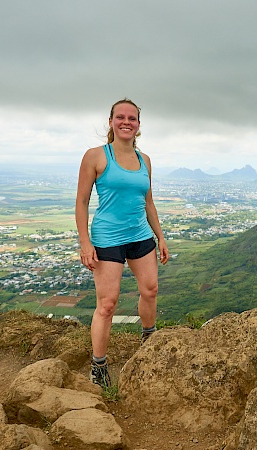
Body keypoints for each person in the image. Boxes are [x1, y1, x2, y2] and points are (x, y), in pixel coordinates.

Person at [75, 98, 169, 387]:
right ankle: (99, 366)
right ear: (111, 121)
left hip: (140, 235)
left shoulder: (145, 160)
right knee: (107, 304)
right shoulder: (96, 156)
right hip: (108, 239)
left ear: (139, 125)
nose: (126, 122)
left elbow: (148, 202)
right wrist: (85, 242)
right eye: (121, 117)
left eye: (132, 118)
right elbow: (81, 202)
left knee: (150, 290)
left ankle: (148, 339)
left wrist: (160, 236)